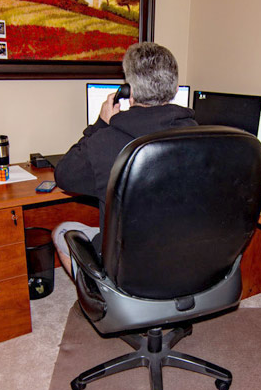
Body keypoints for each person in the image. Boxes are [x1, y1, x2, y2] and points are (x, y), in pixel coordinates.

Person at [52, 42, 198, 275]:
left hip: (127, 271)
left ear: (128, 91)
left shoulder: (104, 142)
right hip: (183, 260)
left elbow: (63, 176)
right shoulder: (200, 136)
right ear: (175, 88)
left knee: (61, 231)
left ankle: (103, 300)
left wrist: (100, 124)